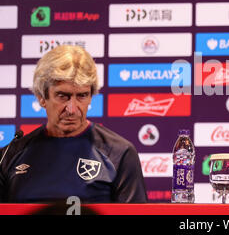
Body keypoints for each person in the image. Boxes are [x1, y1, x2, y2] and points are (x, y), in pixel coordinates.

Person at [0, 45, 147, 203]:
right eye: (63, 96)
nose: (72, 109)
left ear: (91, 96)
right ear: (42, 97)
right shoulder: (10, 155)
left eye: (82, 96)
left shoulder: (119, 153)